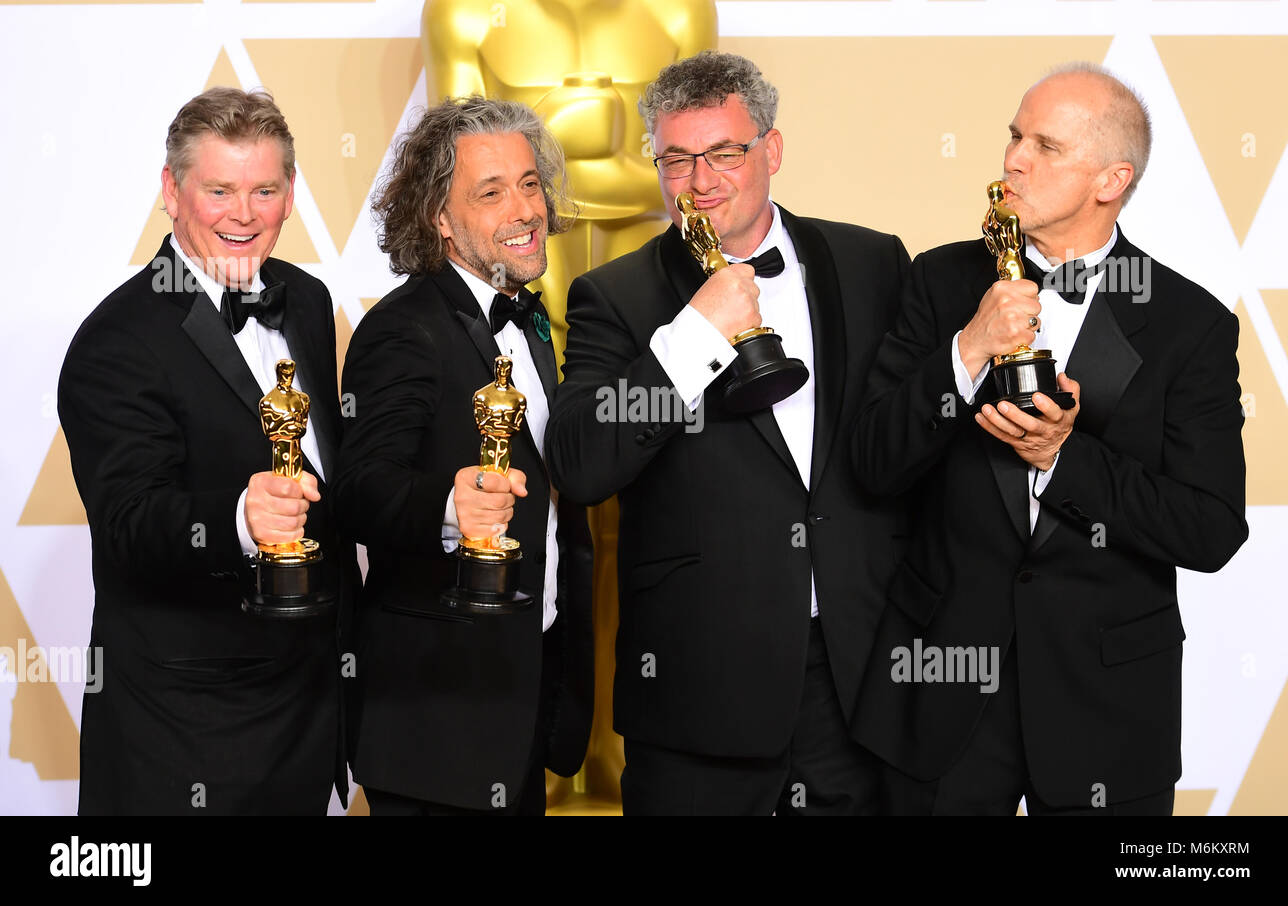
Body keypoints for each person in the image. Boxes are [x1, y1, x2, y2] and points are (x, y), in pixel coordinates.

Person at [849, 63, 1249, 815]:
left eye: (1046, 145)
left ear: (1111, 179)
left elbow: (1212, 528)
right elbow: (872, 463)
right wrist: (964, 353)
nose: (1013, 160)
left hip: (1108, 707)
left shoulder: (1188, 325)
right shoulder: (938, 283)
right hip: (941, 702)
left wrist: (1062, 459)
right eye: (1013, 136)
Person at [545, 50, 911, 815]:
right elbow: (582, 464)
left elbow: (908, 443)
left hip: (855, 681)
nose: (700, 180)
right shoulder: (614, 295)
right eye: (676, 159)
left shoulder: (872, 262)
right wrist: (693, 338)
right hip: (696, 693)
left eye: (724, 153)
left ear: (770, 151)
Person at [59, 87, 353, 814]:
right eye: (218, 190)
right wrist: (238, 519)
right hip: (181, 736)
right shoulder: (116, 341)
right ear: (171, 192)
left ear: (291, 194)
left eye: (263, 189)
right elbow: (129, 523)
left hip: (307, 720)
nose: (244, 215)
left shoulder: (307, 301)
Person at [335, 97, 593, 815]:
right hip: (436, 728)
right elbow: (358, 488)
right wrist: (450, 505)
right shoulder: (404, 330)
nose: (525, 208)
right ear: (439, 220)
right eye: (491, 192)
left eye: (530, 183)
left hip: (522, 704)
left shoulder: (530, 320)